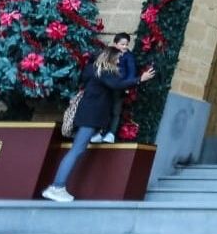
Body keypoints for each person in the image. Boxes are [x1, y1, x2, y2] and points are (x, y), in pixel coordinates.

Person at [41, 45, 155, 202]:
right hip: (91, 116)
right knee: (76, 150)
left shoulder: (95, 70)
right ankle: (57, 187)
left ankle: (57, 186)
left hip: (88, 115)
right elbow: (117, 84)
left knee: (78, 148)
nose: (119, 61)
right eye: (117, 58)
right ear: (110, 58)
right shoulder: (104, 72)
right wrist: (139, 79)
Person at [93, 32, 135, 144]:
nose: (125, 47)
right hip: (107, 86)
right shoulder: (110, 53)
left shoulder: (128, 56)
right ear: (115, 43)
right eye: (122, 44)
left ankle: (111, 133)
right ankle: (100, 132)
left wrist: (128, 85)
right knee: (105, 108)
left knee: (116, 110)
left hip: (119, 86)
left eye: (126, 44)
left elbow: (131, 73)